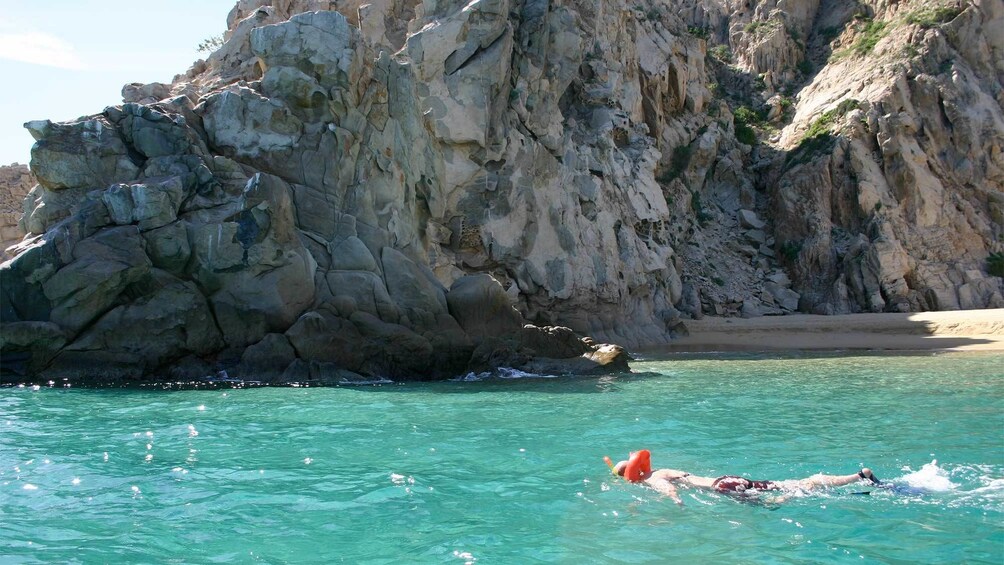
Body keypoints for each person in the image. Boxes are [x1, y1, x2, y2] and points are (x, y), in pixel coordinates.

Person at [611, 453, 880, 505]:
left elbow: (667, 489)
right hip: (725, 479)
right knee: (792, 484)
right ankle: (857, 477)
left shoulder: (651, 480)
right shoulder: (662, 469)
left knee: (777, 501)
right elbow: (675, 478)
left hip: (723, 489)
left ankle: (787, 498)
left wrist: (676, 503)